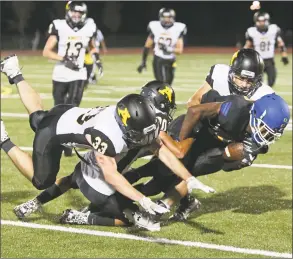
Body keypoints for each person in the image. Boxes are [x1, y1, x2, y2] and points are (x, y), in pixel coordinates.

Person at [137, 8, 187, 85]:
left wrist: (168, 49)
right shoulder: (155, 26)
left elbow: (179, 51)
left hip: (171, 60)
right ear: (161, 17)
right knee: (161, 84)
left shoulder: (178, 28)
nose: (167, 20)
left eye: (169, 18)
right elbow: (147, 46)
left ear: (173, 18)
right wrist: (143, 61)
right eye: (165, 18)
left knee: (168, 86)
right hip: (158, 59)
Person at [244, 11, 289, 87]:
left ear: (267, 21)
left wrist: (284, 55)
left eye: (263, 21)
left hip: (270, 61)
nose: (261, 23)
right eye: (259, 21)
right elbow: (247, 46)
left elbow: (280, 44)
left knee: (271, 81)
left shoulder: (273, 29)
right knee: (258, 84)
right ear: (256, 21)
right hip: (258, 61)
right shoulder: (252, 31)